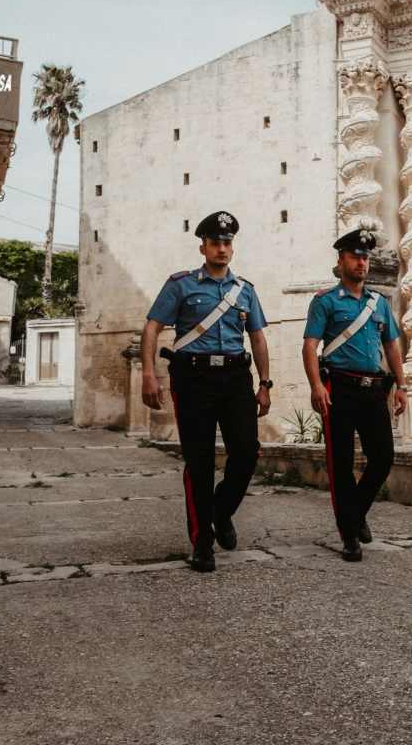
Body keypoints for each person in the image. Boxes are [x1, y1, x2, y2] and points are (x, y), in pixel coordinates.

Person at [140, 211, 272, 572]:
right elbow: (152, 327)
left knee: (246, 453)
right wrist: (148, 374)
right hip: (193, 379)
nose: (222, 248)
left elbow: (257, 337)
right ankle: (202, 542)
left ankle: (221, 510)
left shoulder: (245, 291)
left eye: (227, 242)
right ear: (203, 246)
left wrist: (264, 383)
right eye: (215, 242)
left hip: (235, 379)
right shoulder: (181, 285)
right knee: (199, 462)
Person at [301, 227, 407, 562]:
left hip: (373, 389)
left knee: (383, 457)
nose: (361, 262)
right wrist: (316, 385)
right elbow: (310, 346)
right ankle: (349, 535)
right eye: (355, 256)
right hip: (339, 389)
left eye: (365, 257)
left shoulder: (379, 303)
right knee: (341, 463)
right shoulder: (325, 302)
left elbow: (391, 345)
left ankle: (355, 513)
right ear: (341, 260)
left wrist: (401, 386)